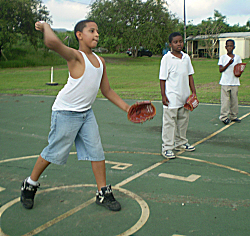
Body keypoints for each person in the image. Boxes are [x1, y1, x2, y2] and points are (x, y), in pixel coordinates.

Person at [20, 20, 130, 211]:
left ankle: (103, 192)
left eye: (97, 31)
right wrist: (46, 26)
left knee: (97, 151)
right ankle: (30, 184)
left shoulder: (100, 61)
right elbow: (53, 44)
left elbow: (107, 91)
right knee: (53, 152)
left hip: (86, 113)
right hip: (65, 112)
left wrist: (128, 108)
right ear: (79, 35)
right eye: (91, 31)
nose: (96, 34)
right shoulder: (76, 57)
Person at [159, 32, 197, 159]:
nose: (179, 44)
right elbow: (162, 79)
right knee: (169, 123)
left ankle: (181, 142)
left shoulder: (186, 58)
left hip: (184, 97)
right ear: (170, 44)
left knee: (183, 121)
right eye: (176, 42)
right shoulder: (166, 58)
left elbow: (190, 75)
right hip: (172, 97)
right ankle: (167, 147)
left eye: (180, 41)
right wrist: (163, 95)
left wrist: (194, 92)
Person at [218, 39, 242, 125]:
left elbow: (239, 70)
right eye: (228, 46)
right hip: (225, 82)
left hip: (234, 82)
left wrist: (239, 74)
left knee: (234, 101)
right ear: (225, 47)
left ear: (234, 47)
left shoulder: (238, 58)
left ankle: (233, 116)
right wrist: (228, 63)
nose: (229, 47)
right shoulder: (223, 58)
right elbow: (221, 70)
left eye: (231, 46)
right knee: (225, 101)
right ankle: (224, 117)